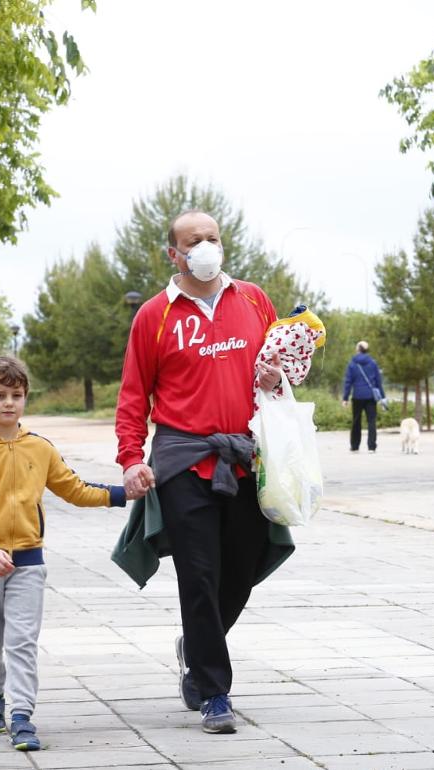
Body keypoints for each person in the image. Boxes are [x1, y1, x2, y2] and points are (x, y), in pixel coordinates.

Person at [114, 210, 284, 735]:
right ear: (174, 254)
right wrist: (130, 459)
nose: (206, 247)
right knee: (199, 576)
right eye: (194, 241)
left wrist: (281, 376)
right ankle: (213, 691)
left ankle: (196, 644)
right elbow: (133, 397)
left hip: (246, 457)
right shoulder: (154, 316)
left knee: (244, 564)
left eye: (212, 238)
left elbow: (283, 370)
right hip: (183, 461)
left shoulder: (255, 300)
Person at [0, 356, 133, 751]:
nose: (9, 403)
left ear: (25, 398)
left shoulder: (40, 447)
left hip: (28, 564)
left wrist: (122, 495)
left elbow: (74, 488)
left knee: (21, 641)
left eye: (16, 395)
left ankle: (21, 716)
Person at [342, 340, 383, 453]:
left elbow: (348, 382)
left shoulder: (352, 363)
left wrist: (345, 398)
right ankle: (371, 447)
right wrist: (382, 397)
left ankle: (355, 446)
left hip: (357, 396)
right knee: (371, 421)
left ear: (358, 349)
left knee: (356, 421)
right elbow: (378, 381)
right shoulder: (373, 363)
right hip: (371, 397)